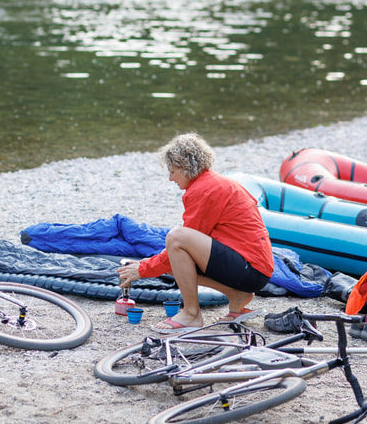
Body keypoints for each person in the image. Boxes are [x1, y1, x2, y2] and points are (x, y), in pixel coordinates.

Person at [116, 133, 275, 334]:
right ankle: (236, 296)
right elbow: (180, 253)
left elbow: (183, 240)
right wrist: (147, 265)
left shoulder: (206, 189)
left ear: (185, 167)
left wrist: (143, 269)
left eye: (172, 171)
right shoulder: (210, 183)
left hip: (251, 269)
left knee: (176, 237)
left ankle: (191, 314)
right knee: (173, 259)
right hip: (251, 268)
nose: (170, 178)